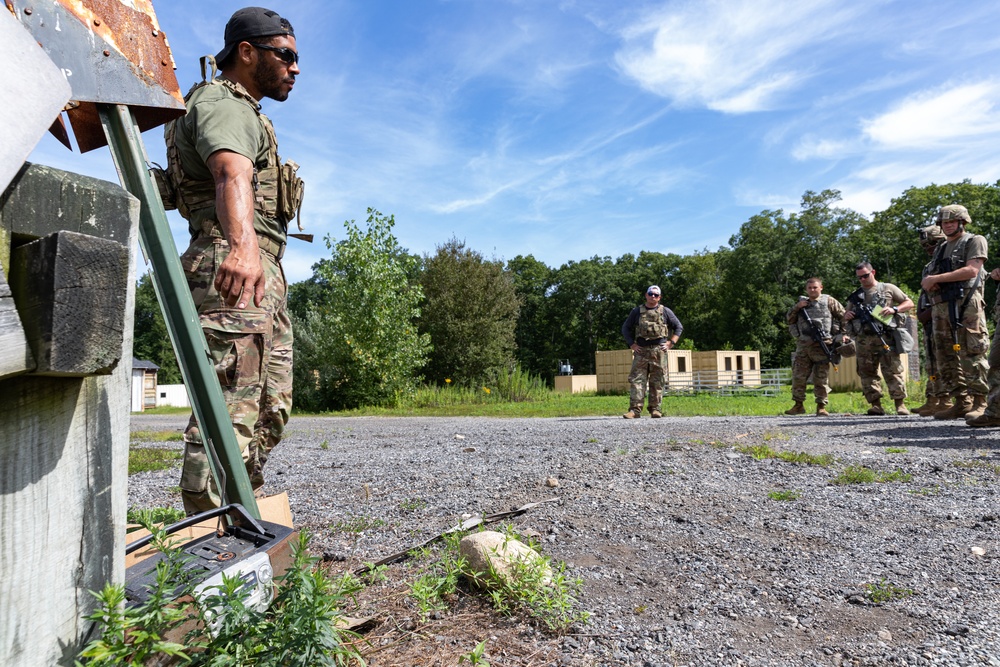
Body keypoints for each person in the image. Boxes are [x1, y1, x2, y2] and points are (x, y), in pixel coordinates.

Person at [164, 7, 304, 513]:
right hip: (233, 259)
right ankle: (211, 529)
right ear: (247, 53)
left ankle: (240, 507)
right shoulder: (221, 102)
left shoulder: (247, 108)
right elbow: (229, 174)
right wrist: (243, 246)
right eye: (285, 55)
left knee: (270, 405)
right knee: (229, 406)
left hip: (259, 266)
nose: (294, 68)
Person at [920, 205, 989, 421]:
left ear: (962, 222)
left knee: (972, 351)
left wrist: (936, 279)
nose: (947, 225)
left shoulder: (974, 240)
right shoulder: (940, 248)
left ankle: (981, 401)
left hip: (966, 304)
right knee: (945, 355)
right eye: (944, 223)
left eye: (952, 221)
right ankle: (961, 401)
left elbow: (972, 270)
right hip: (941, 307)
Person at [843, 262, 915, 415]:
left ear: (873, 272)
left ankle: (900, 405)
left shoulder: (887, 288)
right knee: (867, 372)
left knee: (893, 370)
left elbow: (909, 303)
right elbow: (846, 314)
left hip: (885, 336)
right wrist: (846, 315)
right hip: (864, 339)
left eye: (865, 276)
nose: (862, 279)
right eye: (859, 277)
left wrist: (894, 309)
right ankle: (876, 405)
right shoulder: (855, 296)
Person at [785, 278, 846, 416]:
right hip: (804, 347)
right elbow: (789, 319)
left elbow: (844, 316)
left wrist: (843, 334)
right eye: (810, 288)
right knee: (798, 376)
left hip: (823, 345)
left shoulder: (829, 301)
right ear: (806, 289)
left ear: (821, 288)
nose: (812, 290)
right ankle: (798, 405)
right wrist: (797, 307)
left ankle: (821, 406)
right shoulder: (801, 304)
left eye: (815, 287)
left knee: (821, 378)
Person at [621, 285, 683, 419]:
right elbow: (625, 328)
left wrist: (671, 343)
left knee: (657, 381)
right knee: (637, 381)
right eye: (650, 294)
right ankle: (634, 411)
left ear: (659, 297)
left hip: (659, 351)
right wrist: (632, 344)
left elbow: (678, 327)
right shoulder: (637, 311)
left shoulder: (665, 311)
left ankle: (655, 409)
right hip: (641, 351)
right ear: (646, 295)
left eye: (656, 295)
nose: (653, 296)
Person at [913, 225, 949, 416]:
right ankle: (933, 398)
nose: (928, 248)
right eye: (925, 245)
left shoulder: (949, 262)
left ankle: (948, 399)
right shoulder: (929, 266)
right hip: (930, 320)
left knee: (947, 359)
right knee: (932, 361)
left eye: (932, 243)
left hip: (945, 316)